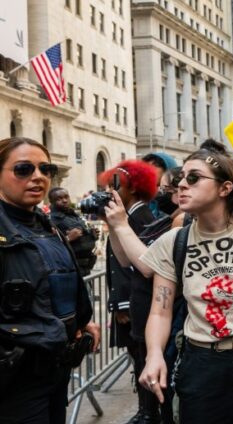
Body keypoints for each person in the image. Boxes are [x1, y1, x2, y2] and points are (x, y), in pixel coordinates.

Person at [139, 148, 233, 423]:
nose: (181, 184)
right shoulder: (174, 241)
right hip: (201, 363)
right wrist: (154, 355)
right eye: (181, 177)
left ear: (225, 188)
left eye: (194, 178)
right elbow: (160, 310)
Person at [0, 137, 101, 423]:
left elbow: (59, 282)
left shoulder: (49, 227)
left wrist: (81, 321)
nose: (38, 177)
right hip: (16, 378)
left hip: (57, 369)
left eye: (45, 169)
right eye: (23, 169)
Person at [98, 160, 158, 423]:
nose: (111, 190)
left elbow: (135, 267)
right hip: (130, 303)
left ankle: (148, 411)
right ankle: (146, 409)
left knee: (143, 356)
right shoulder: (128, 217)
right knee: (138, 356)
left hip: (136, 303)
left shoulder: (140, 218)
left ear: (132, 187)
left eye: (116, 184)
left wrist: (122, 303)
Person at [48, 187, 98, 276]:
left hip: (85, 267)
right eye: (59, 199)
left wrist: (92, 234)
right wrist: (68, 238)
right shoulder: (51, 220)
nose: (64, 200)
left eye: (66, 197)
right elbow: (49, 247)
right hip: (69, 269)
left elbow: (83, 234)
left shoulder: (74, 215)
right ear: (51, 202)